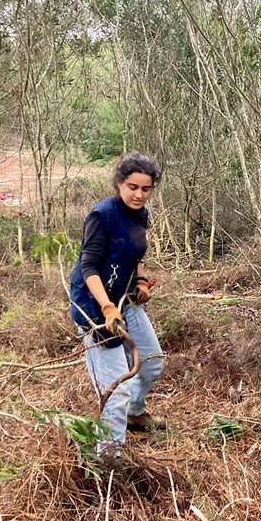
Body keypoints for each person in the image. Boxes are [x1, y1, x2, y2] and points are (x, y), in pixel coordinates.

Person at [68, 152, 166, 462]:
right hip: (96, 308)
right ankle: (108, 461)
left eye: (145, 188)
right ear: (119, 184)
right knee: (116, 389)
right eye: (132, 187)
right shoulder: (102, 215)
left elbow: (134, 254)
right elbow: (89, 266)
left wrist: (140, 280)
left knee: (151, 362)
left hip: (125, 299)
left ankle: (135, 415)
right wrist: (108, 308)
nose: (138, 194)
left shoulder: (141, 214)